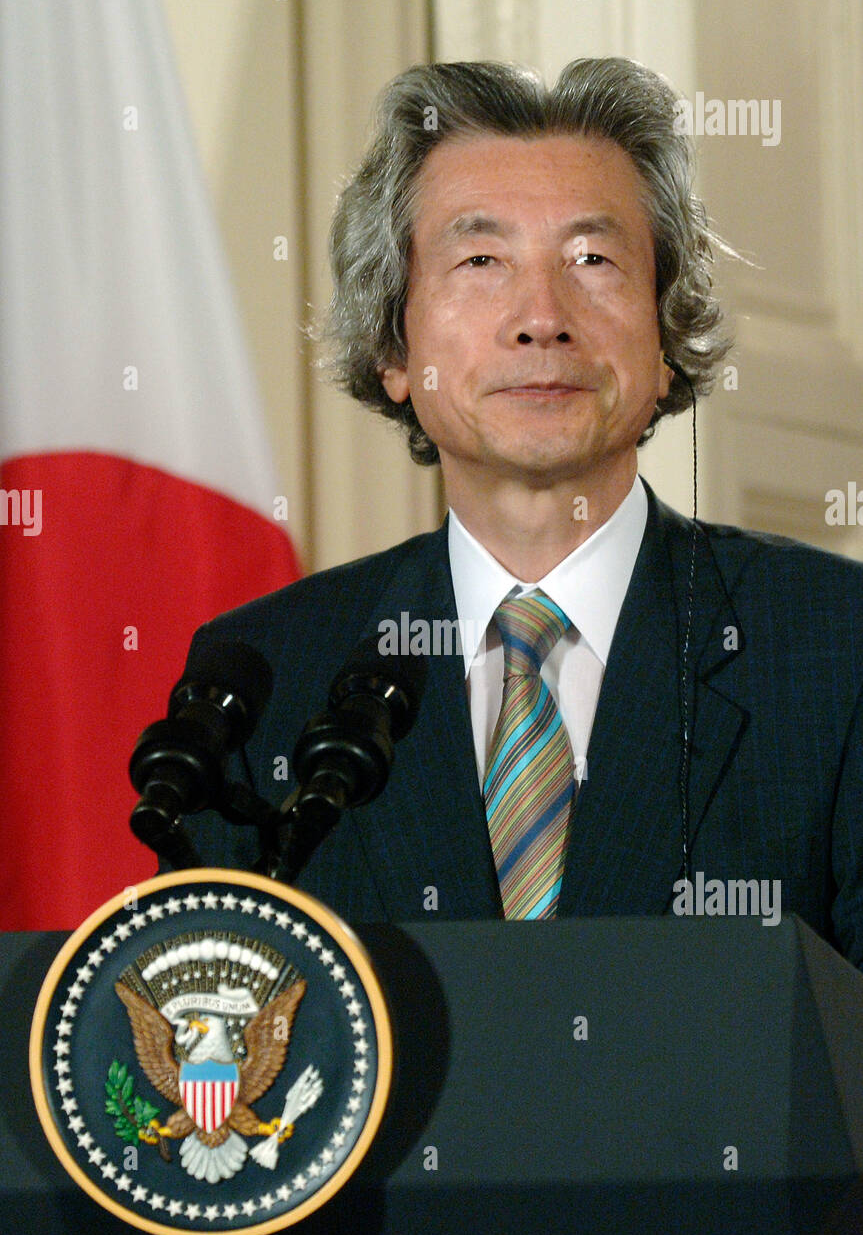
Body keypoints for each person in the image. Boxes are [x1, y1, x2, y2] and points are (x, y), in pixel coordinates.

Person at [176, 58, 863, 969]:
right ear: (393, 346)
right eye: (481, 261)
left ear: (663, 341)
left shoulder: (831, 646)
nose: (541, 317)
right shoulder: (268, 678)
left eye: (592, 259)